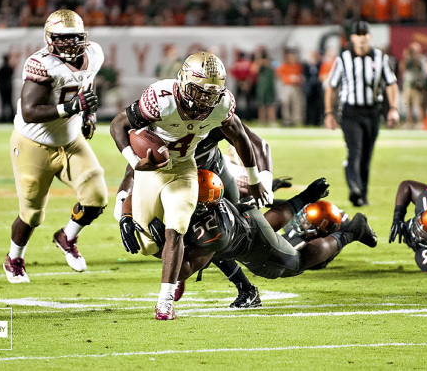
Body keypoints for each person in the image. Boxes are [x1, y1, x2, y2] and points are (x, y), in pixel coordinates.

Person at [110, 51, 270, 320]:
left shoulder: (221, 105)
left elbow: (242, 137)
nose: (205, 99)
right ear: (184, 81)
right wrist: (135, 162)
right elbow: (118, 125)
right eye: (200, 91)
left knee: (178, 227)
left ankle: (165, 302)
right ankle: (180, 270)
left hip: (185, 168)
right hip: (153, 171)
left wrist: (255, 180)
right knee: (149, 244)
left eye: (211, 93)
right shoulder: (161, 99)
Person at [115, 124, 285, 308]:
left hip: (213, 178)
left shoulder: (210, 115)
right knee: (175, 235)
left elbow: (255, 142)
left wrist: (263, 182)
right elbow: (135, 168)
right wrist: (123, 207)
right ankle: (180, 264)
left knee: (216, 234)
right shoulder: (156, 121)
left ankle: (245, 287)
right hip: (172, 181)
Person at [4, 9, 108, 284]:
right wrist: (73, 107)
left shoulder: (94, 54)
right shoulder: (42, 63)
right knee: (32, 213)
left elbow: (86, 82)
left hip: (71, 140)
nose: (71, 44)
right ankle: (14, 258)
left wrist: (88, 115)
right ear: (50, 39)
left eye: (75, 38)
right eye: (63, 38)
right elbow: (29, 110)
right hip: (33, 143)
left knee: (96, 195)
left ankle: (67, 236)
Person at [157, 172, 377, 285]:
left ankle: (351, 232)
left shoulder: (212, 231)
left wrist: (159, 246)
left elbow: (184, 270)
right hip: (248, 220)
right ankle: (306, 197)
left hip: (253, 244)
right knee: (263, 225)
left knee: (297, 262)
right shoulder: (216, 200)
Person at [324, 21, 399, 207]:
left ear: (369, 36)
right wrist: (329, 113)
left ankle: (362, 194)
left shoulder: (380, 57)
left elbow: (391, 83)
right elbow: (331, 87)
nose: (362, 38)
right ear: (352, 38)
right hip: (351, 112)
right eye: (358, 34)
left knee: (366, 155)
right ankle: (354, 189)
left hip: (373, 111)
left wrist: (393, 108)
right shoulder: (344, 59)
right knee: (355, 151)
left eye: (365, 34)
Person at [275, 48, 305, 127]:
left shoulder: (297, 66)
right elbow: (278, 75)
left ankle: (297, 120)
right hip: (287, 86)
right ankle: (287, 120)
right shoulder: (284, 66)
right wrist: (288, 78)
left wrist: (297, 79)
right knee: (286, 104)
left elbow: (300, 76)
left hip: (295, 87)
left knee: (297, 104)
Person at [0, 54, 14, 122]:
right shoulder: (9, 68)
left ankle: (4, 118)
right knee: (9, 104)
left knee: (4, 104)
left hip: (3, 88)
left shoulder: (2, 68)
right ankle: (11, 118)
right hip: (8, 88)